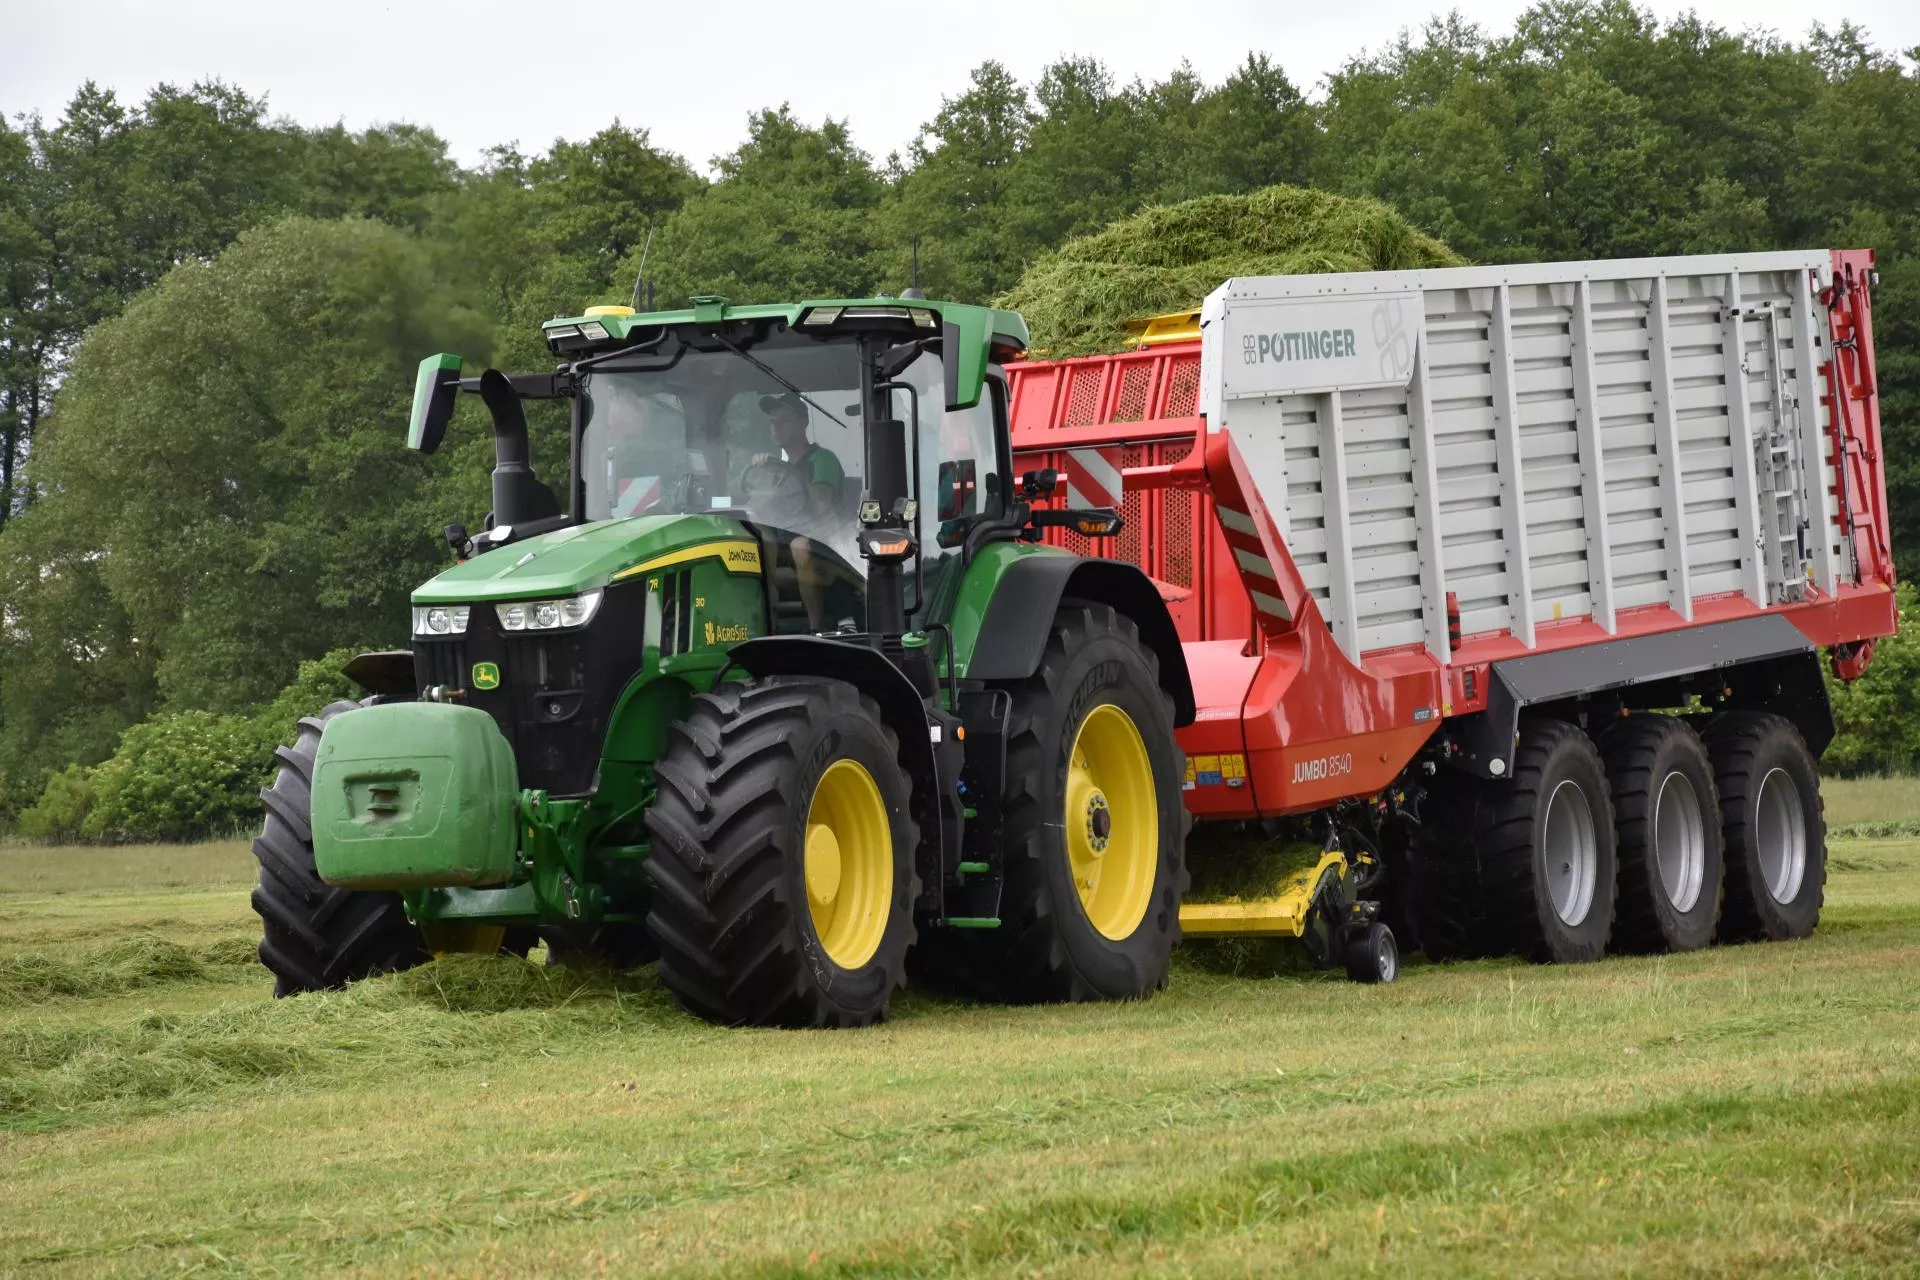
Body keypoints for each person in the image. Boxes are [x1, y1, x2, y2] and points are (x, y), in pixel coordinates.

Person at [756, 393, 853, 629]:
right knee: (754, 541)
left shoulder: (822, 459)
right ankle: (763, 622)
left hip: (824, 539)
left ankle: (815, 629)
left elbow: (822, 507)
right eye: (772, 421)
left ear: (803, 423)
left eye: (784, 421)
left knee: (800, 545)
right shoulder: (779, 470)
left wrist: (786, 472)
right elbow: (761, 512)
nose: (775, 428)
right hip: (784, 538)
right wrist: (764, 482)